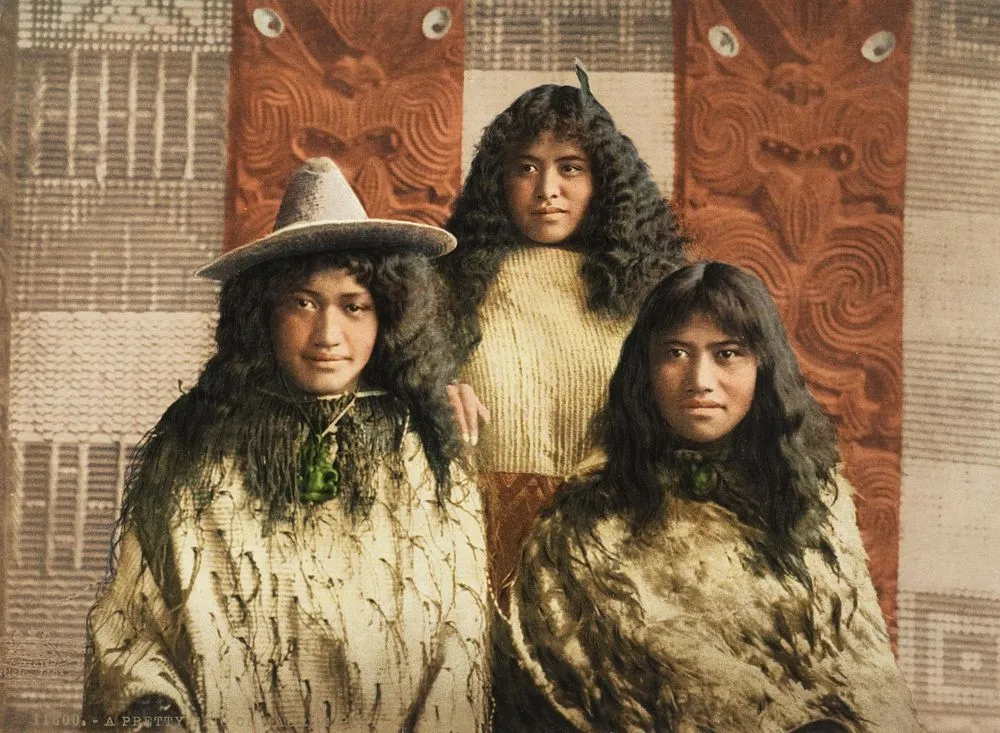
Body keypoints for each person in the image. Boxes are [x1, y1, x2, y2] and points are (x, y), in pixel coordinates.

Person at [83, 158, 491, 732]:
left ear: (387, 317)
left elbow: (460, 644)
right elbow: (133, 630)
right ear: (264, 314)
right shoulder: (198, 451)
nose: (327, 335)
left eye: (354, 306)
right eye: (303, 302)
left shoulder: (424, 454)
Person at [501, 261, 923, 731]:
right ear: (645, 370)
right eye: (676, 353)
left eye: (727, 354)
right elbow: (622, 684)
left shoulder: (813, 499)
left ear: (763, 366)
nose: (699, 380)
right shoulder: (586, 518)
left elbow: (867, 671)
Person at [439, 64, 688, 599]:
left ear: (604, 180)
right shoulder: (446, 285)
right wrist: (427, 390)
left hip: (612, 552)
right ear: (499, 179)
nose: (546, 190)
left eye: (570, 168)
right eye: (526, 168)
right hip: (471, 551)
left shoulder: (654, 294)